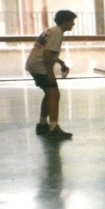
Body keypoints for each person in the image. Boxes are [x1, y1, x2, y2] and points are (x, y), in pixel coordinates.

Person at [25, 10, 77, 140]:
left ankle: (42, 125)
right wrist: (51, 75)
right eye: (71, 21)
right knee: (54, 94)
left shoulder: (52, 30)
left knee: (49, 94)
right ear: (65, 22)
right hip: (39, 66)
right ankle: (53, 128)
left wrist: (60, 62)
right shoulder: (58, 33)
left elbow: (47, 51)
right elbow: (47, 55)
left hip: (33, 64)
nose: (73, 24)